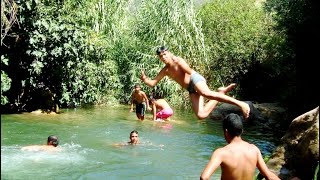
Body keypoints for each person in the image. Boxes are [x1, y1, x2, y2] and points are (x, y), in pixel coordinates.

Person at [140, 46, 250, 120]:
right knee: (201, 115)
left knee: (206, 93)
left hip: (195, 79)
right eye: (161, 56)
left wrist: (183, 75)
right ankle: (220, 93)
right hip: (191, 89)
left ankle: (241, 104)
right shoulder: (165, 70)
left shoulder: (178, 60)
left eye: (164, 54)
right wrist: (145, 79)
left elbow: (188, 71)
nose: (163, 57)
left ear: (168, 53)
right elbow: (153, 83)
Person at [200, 113, 280, 180]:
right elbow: (269, 176)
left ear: (226, 132)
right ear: (242, 131)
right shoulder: (254, 150)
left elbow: (204, 177)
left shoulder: (221, 153)